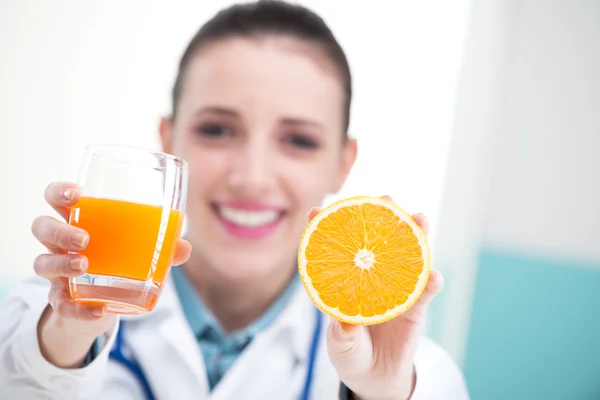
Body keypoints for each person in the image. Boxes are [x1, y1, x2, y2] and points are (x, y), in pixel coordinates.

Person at [0, 1, 470, 399]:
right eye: (217, 130)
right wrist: (66, 338)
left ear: (342, 164)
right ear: (169, 141)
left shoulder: (413, 377)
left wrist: (380, 393)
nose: (251, 177)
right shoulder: (38, 321)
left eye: (299, 140)